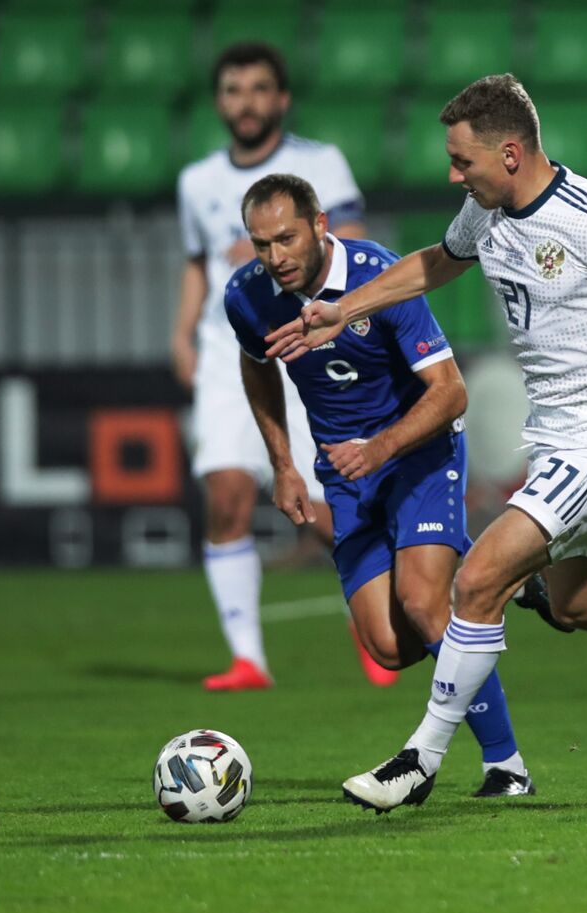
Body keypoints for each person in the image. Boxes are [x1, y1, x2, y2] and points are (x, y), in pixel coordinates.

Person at [265, 74, 587, 813]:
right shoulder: (487, 210)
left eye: (462, 161)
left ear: (510, 153)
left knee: (477, 580)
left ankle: (421, 758)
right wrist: (338, 311)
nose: (453, 174)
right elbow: (437, 262)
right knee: (583, 603)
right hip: (561, 443)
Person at [226, 173, 535, 797]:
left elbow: (450, 394)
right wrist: (284, 463)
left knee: (426, 606)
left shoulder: (379, 279)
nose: (275, 257)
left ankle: (506, 766)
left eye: (286, 238)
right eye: (260, 244)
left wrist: (383, 446)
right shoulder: (249, 297)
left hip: (418, 452)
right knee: (391, 647)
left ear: (320, 225)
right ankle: (502, 572)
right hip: (346, 475)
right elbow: (256, 366)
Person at [170, 42, 383, 690]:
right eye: (234, 90)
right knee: (227, 493)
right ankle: (247, 659)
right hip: (226, 348)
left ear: (281, 99)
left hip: (309, 341)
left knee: (322, 507)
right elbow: (196, 265)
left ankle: (370, 615)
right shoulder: (197, 182)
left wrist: (266, 252)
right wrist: (181, 331)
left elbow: (350, 243)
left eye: (260, 89)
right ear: (219, 102)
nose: (246, 102)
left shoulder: (318, 164)